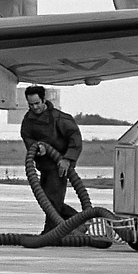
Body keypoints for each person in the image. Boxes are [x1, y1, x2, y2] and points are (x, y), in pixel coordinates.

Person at [18, 85, 83, 232]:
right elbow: (26, 136)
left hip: (59, 165)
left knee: (52, 201)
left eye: (37, 103)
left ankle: (50, 233)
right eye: (31, 104)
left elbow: (75, 137)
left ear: (44, 100)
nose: (34, 107)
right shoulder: (28, 120)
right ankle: (79, 222)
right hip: (44, 166)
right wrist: (36, 147)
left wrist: (67, 159)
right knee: (47, 200)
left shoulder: (59, 118)